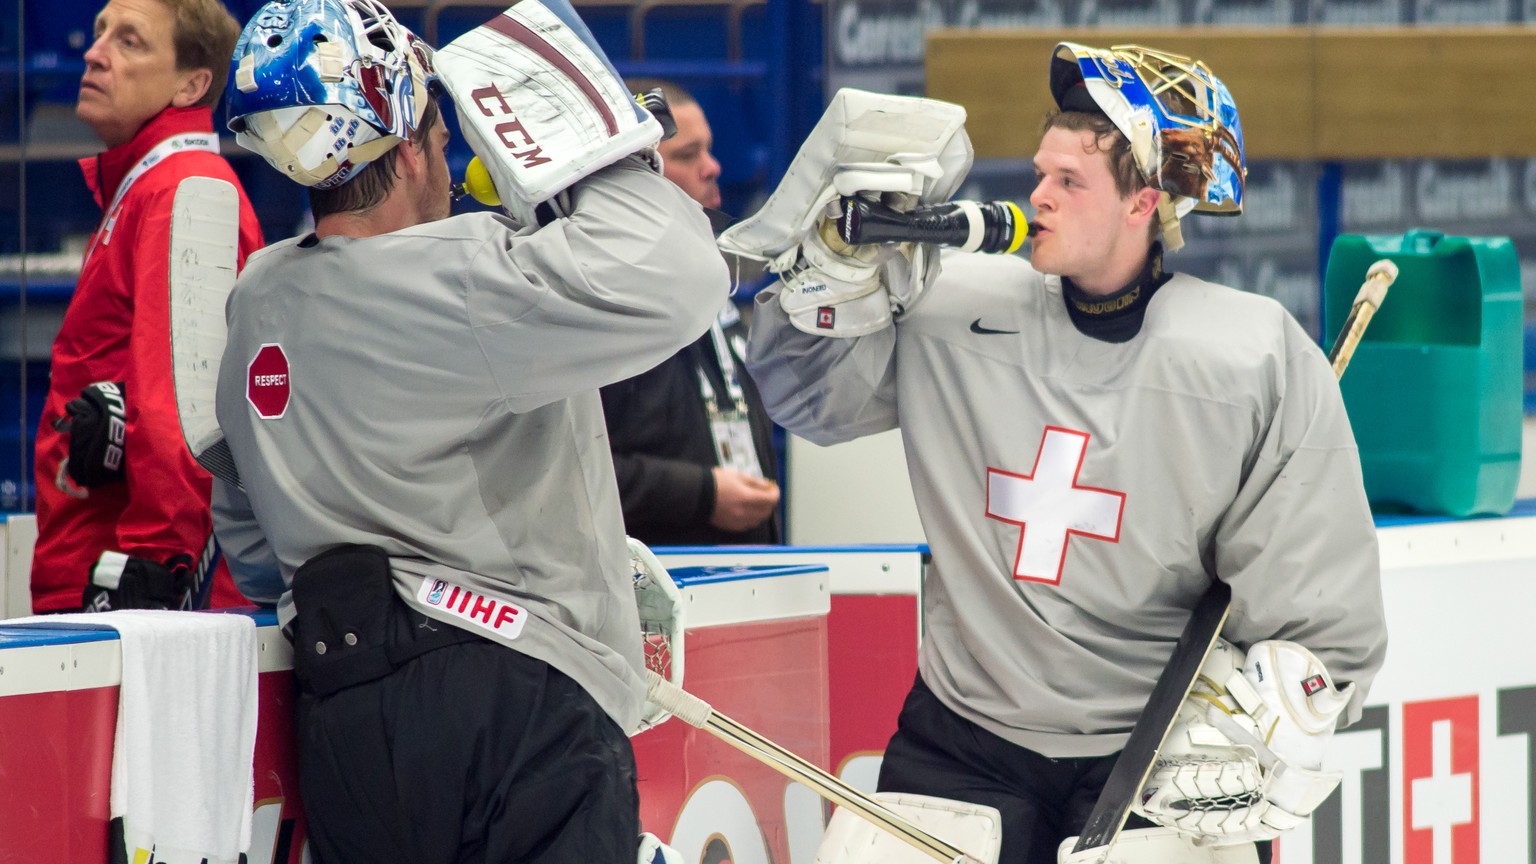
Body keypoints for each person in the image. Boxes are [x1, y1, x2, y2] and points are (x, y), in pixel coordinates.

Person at [745, 44, 1387, 863]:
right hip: (961, 740)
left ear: (1142, 203)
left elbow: (1318, 608)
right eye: (1040, 172)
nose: (1037, 196)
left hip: (1159, 752)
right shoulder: (948, 304)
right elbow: (811, 406)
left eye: (1069, 182)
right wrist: (823, 287)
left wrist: (1274, 708)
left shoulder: (1251, 354)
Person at [210, 0, 726, 860]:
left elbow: (251, 541)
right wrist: (593, 154)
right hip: (514, 693)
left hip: (343, 718)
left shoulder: (257, 299)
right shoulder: (466, 273)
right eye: (444, 142)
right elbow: (681, 276)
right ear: (409, 147)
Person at [30, 0, 264, 613]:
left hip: (137, 586)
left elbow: (185, 416)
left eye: (130, 40)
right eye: (102, 31)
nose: (94, 51)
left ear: (192, 83)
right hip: (94, 557)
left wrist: (159, 570)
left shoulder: (182, 188)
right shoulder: (149, 187)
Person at [599, 79, 780, 546]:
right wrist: (701, 494)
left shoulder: (711, 282)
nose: (713, 168)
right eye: (688, 155)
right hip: (654, 589)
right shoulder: (597, 308)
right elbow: (571, 472)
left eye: (710, 150)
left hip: (747, 575)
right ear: (638, 173)